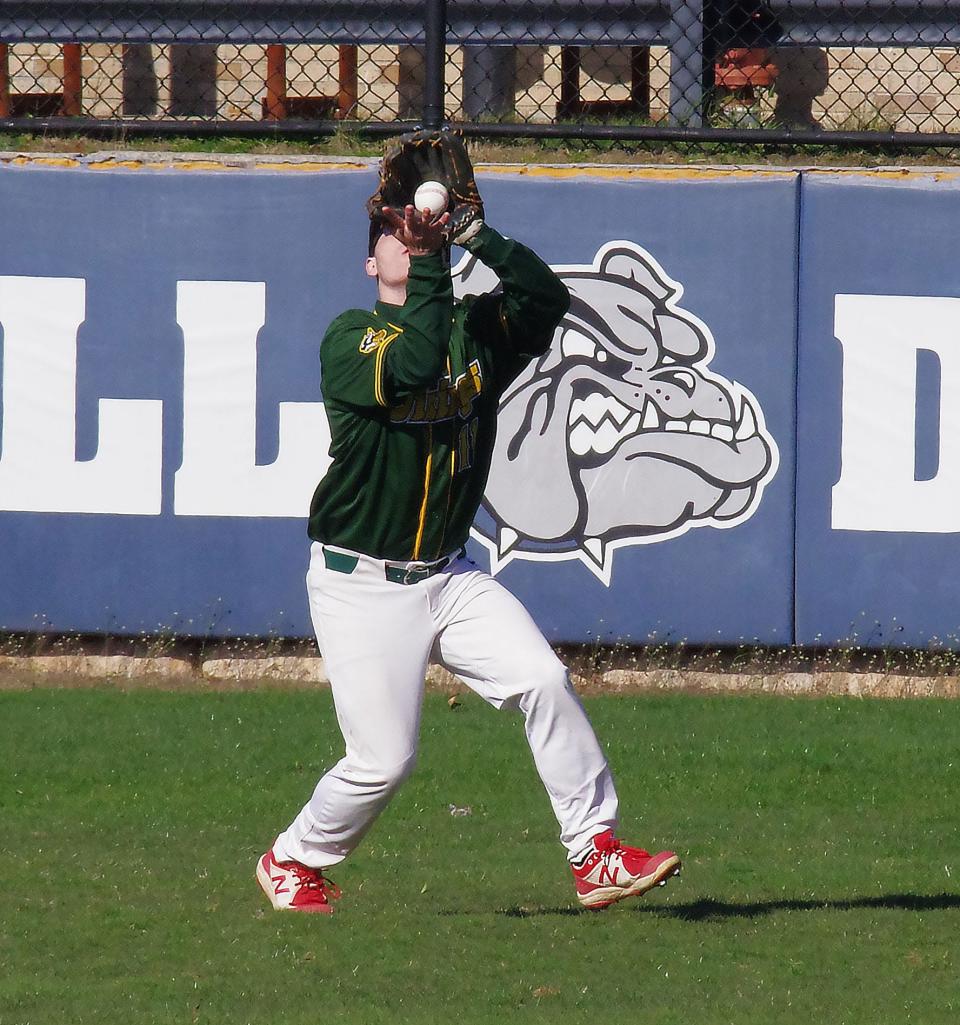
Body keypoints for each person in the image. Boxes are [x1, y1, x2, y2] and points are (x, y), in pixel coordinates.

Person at [255, 164, 681, 914]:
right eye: (391, 232)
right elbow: (416, 360)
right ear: (371, 261)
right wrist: (431, 268)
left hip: (448, 577)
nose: (407, 235)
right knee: (384, 761)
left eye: (413, 228)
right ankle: (293, 857)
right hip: (362, 582)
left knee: (543, 679)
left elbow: (547, 301)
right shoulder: (349, 340)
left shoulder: (475, 331)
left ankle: (596, 853)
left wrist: (478, 237)